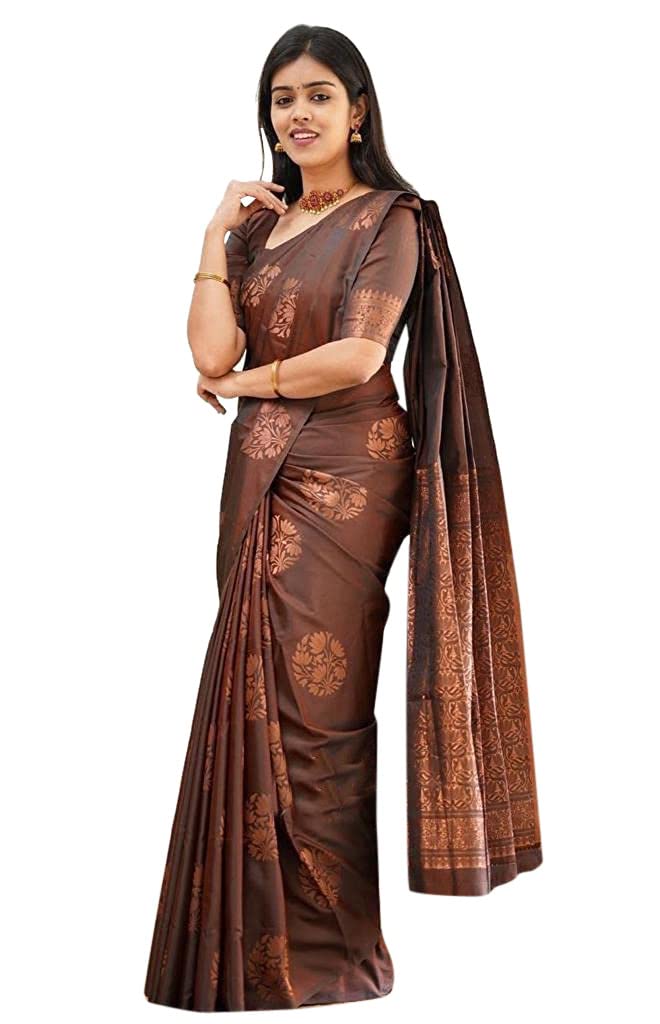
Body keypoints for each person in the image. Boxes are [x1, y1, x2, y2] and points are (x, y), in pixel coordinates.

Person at [144, 24, 543, 1013]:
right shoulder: (257, 231)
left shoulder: (391, 219)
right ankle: (248, 953)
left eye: (320, 94)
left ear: (358, 111)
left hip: (348, 480)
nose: (300, 113)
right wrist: (210, 240)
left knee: (318, 713)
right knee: (257, 691)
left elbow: (359, 357)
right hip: (259, 474)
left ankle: (334, 953)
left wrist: (244, 384)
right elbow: (208, 349)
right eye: (283, 98)